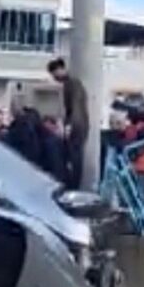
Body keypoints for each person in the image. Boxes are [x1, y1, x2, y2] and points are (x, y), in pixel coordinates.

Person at [48, 58, 90, 190]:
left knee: (74, 158)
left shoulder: (72, 84)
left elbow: (76, 106)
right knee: (72, 158)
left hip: (76, 126)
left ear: (60, 69)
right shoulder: (70, 84)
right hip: (78, 125)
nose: (54, 77)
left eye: (54, 73)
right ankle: (72, 185)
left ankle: (74, 187)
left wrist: (69, 125)